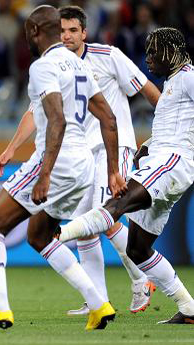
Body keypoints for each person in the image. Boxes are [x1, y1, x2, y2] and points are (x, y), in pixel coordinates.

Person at [0, 5, 126, 332]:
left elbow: (56, 119)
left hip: (57, 160)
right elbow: (108, 118)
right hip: (83, 165)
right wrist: (112, 171)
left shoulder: (43, 66)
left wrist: (45, 174)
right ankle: (98, 303)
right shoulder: (78, 64)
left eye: (27, 34)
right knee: (40, 235)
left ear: (35, 32)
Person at [58, 27, 194, 324]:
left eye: (154, 51)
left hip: (173, 162)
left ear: (171, 52)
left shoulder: (188, 77)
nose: (149, 58)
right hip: (163, 161)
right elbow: (172, 127)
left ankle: (57, 236)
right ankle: (189, 308)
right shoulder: (173, 83)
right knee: (137, 248)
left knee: (116, 203)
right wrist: (146, 146)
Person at [58, 5, 161, 315]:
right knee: (86, 226)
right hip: (82, 154)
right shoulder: (56, 66)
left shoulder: (108, 55)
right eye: (62, 31)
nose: (67, 36)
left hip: (115, 147)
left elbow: (147, 89)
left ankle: (141, 278)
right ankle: (97, 301)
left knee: (104, 216)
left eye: (73, 30)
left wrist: (168, 126)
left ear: (84, 33)